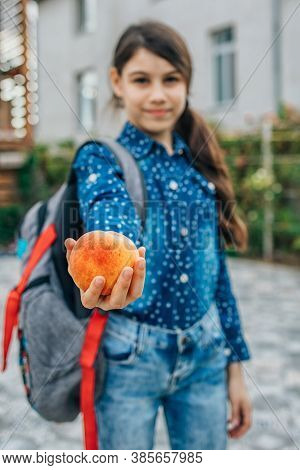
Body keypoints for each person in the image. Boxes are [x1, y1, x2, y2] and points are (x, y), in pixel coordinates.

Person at [65, 20, 252, 450]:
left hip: (207, 355)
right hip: (130, 357)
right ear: (117, 82)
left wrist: (236, 365)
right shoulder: (101, 157)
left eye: (171, 79)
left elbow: (217, 274)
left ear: (186, 82)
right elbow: (110, 208)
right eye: (141, 80)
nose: (157, 94)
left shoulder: (197, 163)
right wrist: (114, 256)